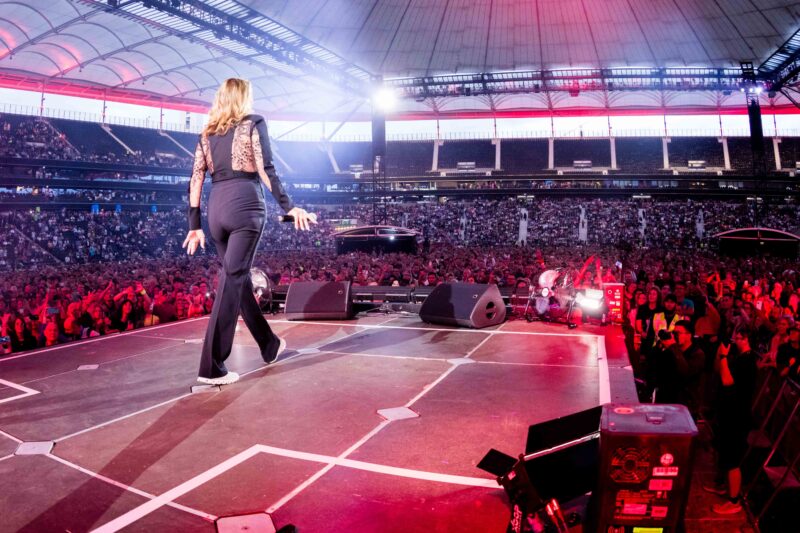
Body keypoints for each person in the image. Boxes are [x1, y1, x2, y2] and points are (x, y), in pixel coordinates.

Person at [182, 78, 317, 386]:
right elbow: (266, 169)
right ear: (244, 98)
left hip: (216, 211)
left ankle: (269, 344)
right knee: (231, 281)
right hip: (245, 206)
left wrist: (194, 224)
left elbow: (195, 178)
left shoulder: (206, 134)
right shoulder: (253, 123)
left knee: (238, 279)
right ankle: (211, 365)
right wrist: (289, 206)